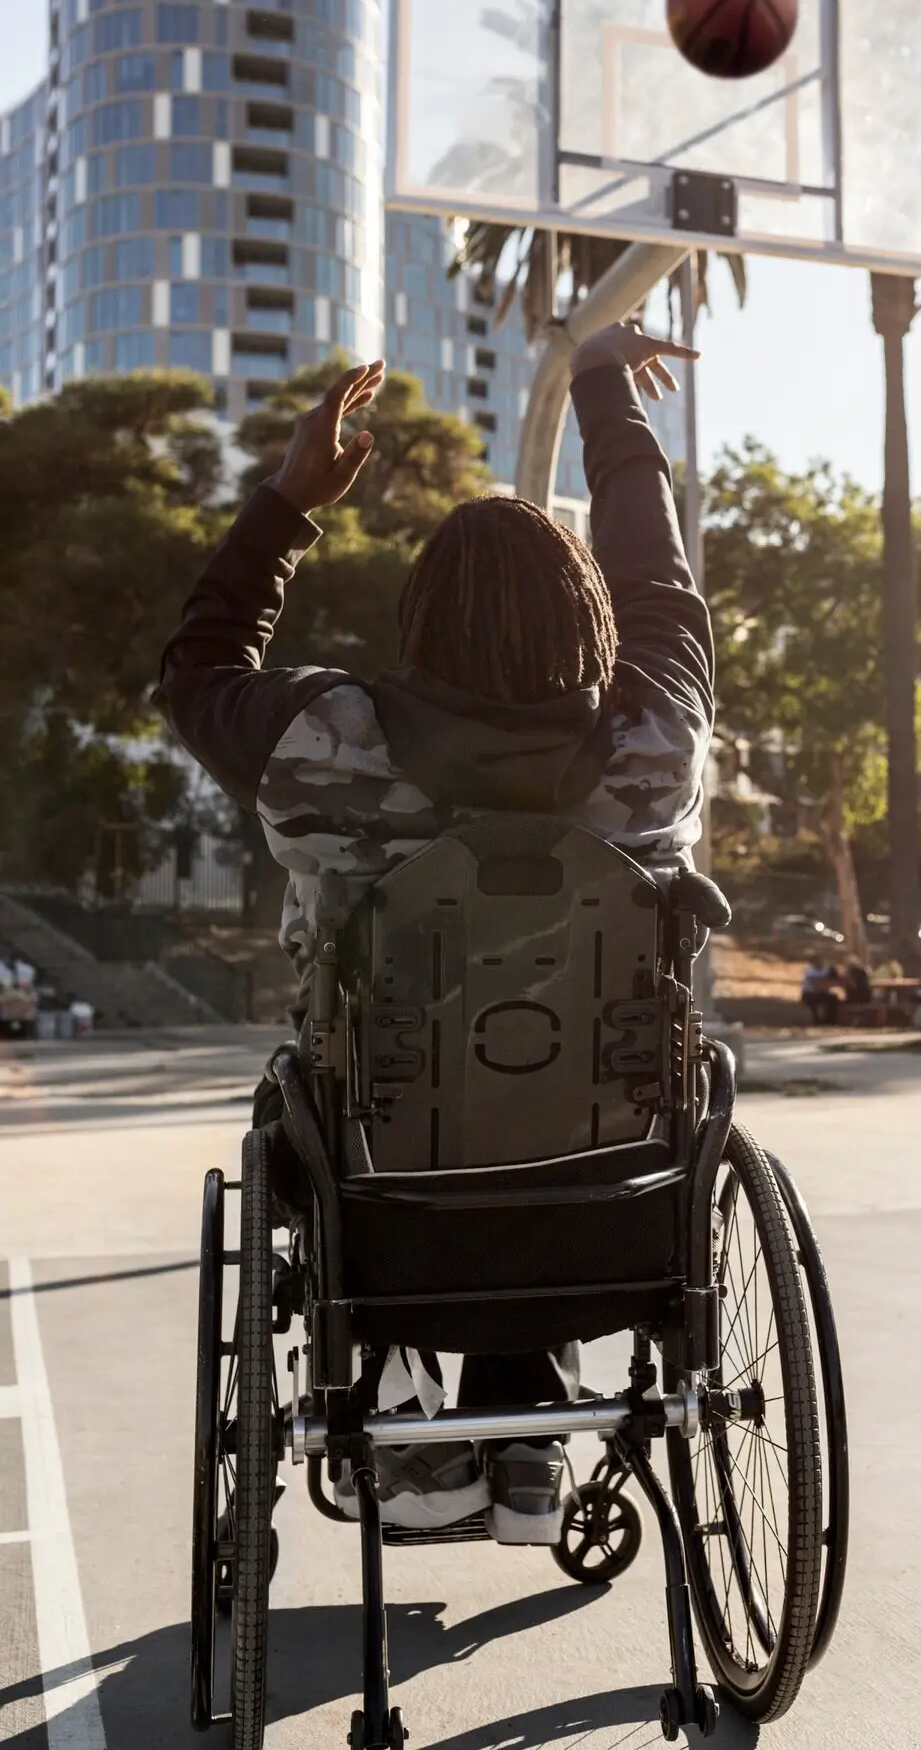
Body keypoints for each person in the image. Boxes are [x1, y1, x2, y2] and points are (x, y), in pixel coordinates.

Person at [154, 321, 708, 1544]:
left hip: (378, 1189)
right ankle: (521, 1415)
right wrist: (605, 391)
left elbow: (195, 665)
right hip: (613, 1191)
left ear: (419, 618)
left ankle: (401, 1391)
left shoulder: (322, 736)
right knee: (560, 1060)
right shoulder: (655, 746)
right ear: (592, 619)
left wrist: (292, 502)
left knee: (386, 1074)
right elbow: (658, 571)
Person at [801, 955, 840, 1025]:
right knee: (811, 1001)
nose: (818, 963)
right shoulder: (810, 971)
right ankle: (816, 1019)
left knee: (833, 999)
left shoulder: (827, 969)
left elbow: (835, 979)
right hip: (810, 993)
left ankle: (830, 1020)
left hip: (822, 992)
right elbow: (815, 984)